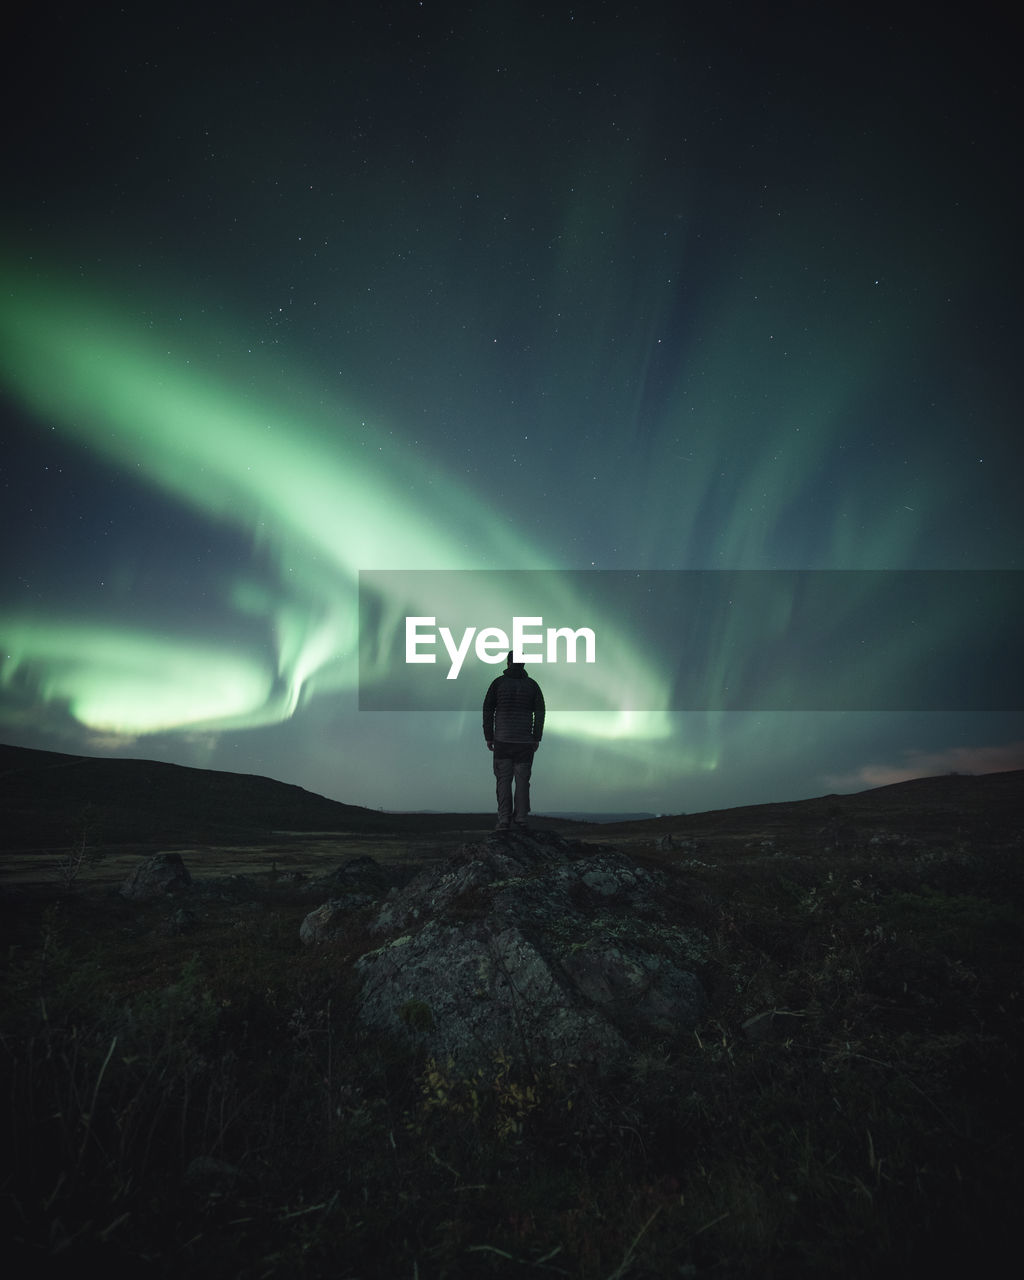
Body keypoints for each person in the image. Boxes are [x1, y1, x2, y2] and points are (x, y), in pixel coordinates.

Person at [482, 651, 545, 830]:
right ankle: (521, 819)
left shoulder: (498, 684)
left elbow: (488, 710)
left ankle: (503, 820)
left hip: (502, 740)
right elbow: (540, 713)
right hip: (525, 742)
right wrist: (536, 737)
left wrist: (489, 736)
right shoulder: (532, 685)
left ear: (508, 662)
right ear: (523, 664)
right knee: (523, 781)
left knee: (503, 780)